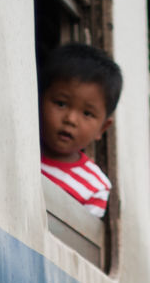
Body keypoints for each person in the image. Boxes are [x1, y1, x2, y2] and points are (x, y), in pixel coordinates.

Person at [38, 42, 121, 218]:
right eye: (61, 103)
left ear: (103, 128)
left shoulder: (95, 188)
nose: (71, 119)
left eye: (87, 113)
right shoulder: (18, 147)